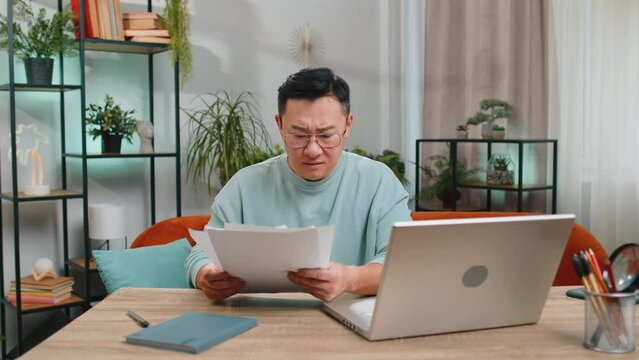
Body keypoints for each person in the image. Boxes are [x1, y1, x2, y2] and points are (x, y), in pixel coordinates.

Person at [184, 67, 411, 301]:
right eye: (299, 135)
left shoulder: (378, 182)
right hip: (260, 323)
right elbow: (202, 253)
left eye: (325, 135)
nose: (313, 150)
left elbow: (405, 263)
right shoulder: (245, 185)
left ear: (348, 125)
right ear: (280, 125)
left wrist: (349, 279)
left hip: (351, 322)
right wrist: (205, 275)